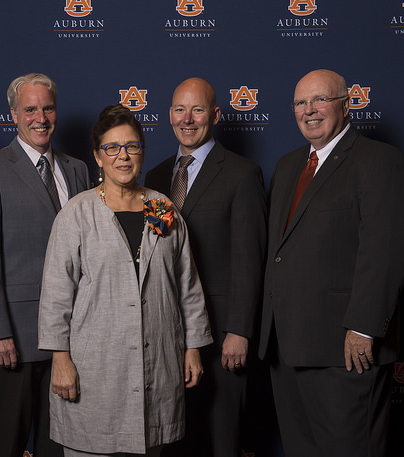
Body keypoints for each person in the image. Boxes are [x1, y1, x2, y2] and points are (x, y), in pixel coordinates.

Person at [38, 104, 213, 457]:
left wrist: (193, 346)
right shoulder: (76, 214)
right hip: (94, 368)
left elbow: (187, 284)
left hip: (157, 363)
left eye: (132, 146)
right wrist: (60, 359)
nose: (123, 156)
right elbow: (56, 294)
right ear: (97, 157)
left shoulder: (163, 207)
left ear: (142, 152)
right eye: (112, 148)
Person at [258, 69, 404, 457]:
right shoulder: (287, 165)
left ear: (347, 104)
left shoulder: (378, 159)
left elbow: (386, 250)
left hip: (344, 349)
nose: (309, 110)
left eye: (320, 100)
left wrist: (362, 327)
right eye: (300, 102)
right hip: (286, 346)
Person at [0, 73, 90, 457]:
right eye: (30, 109)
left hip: (71, 338)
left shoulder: (78, 169)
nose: (40, 117)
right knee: (10, 442)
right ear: (14, 114)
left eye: (47, 108)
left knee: (61, 443)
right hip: (15, 338)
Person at [144, 77, 267, 457]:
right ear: (168, 115)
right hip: (168, 331)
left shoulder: (242, 173)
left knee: (221, 439)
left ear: (214, 115)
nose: (188, 119)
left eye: (197, 110)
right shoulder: (155, 177)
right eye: (180, 109)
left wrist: (240, 331)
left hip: (220, 337)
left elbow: (251, 257)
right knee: (175, 440)